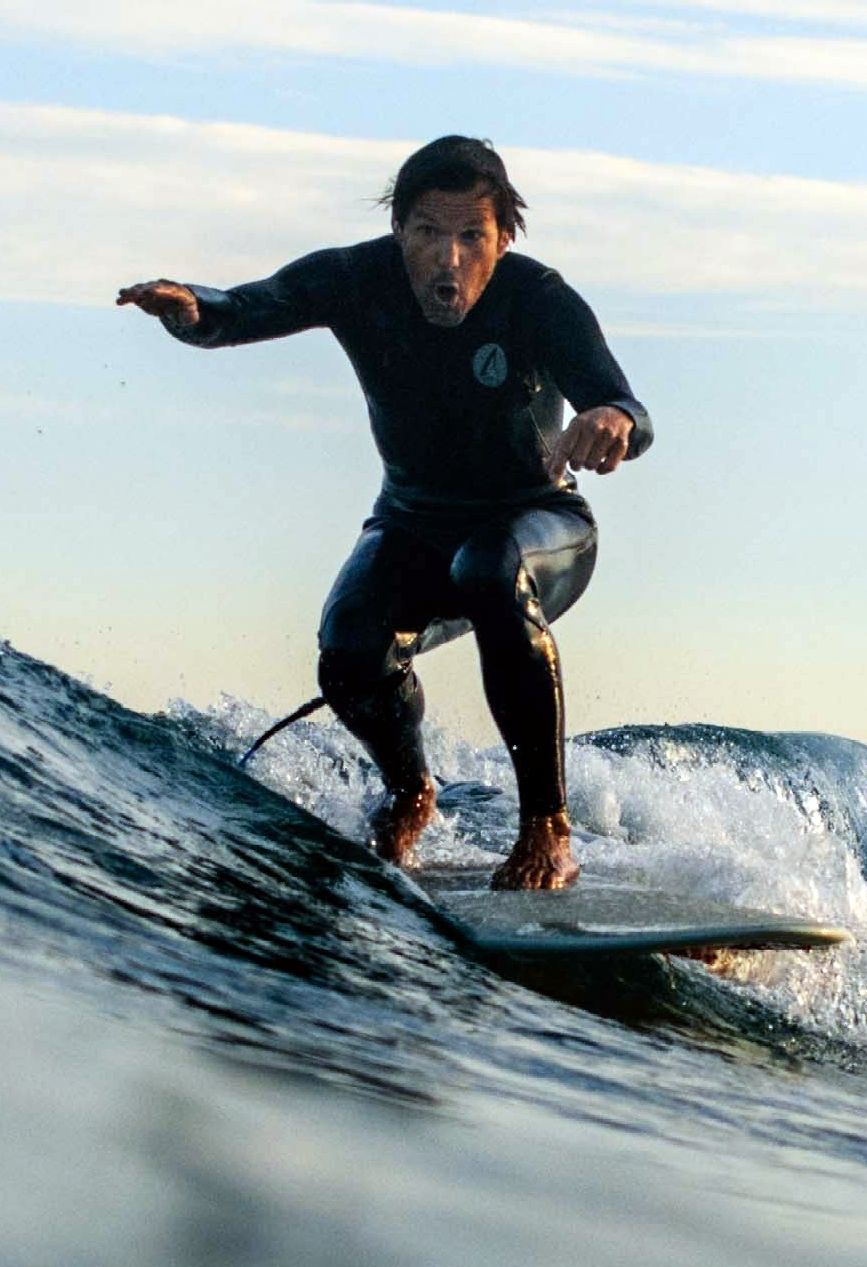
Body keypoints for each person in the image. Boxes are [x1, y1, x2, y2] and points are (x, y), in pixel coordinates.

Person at [116, 135, 652, 889]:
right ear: (399, 231)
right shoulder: (356, 279)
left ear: (504, 238)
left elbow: (624, 401)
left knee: (490, 566)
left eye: (473, 236)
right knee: (348, 647)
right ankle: (411, 792)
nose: (450, 257)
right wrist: (191, 310)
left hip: (540, 529)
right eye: (429, 233)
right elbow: (247, 307)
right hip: (414, 526)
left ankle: (549, 828)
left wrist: (613, 421)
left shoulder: (538, 298)